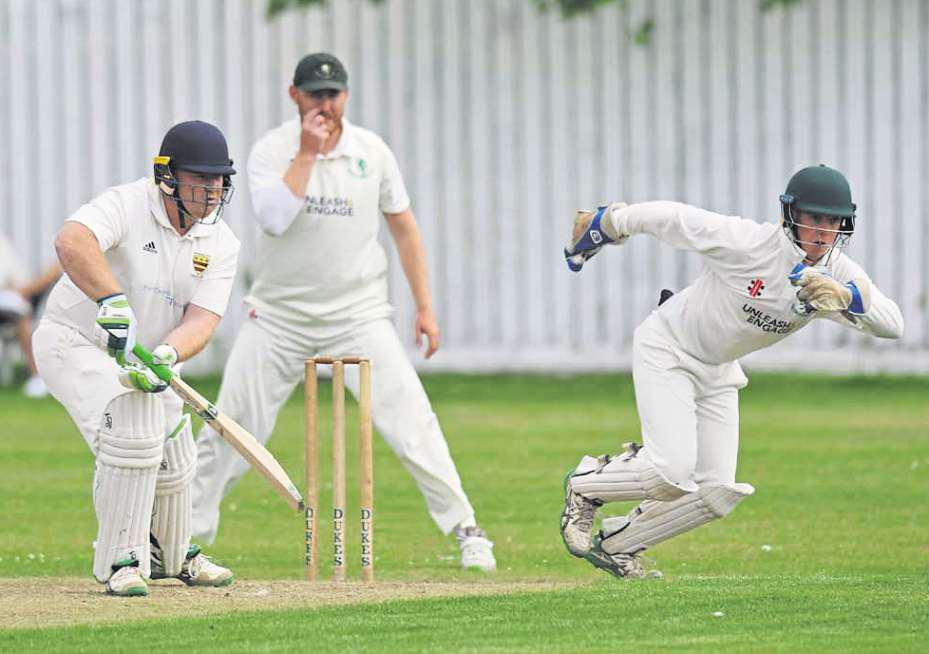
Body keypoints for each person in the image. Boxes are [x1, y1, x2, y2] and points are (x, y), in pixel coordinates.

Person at [191, 52, 496, 571]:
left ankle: (467, 529)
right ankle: (181, 537)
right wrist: (307, 154)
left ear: (346, 96)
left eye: (332, 95)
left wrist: (425, 307)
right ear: (295, 96)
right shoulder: (272, 149)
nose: (324, 104)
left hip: (357, 313)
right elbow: (273, 220)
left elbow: (404, 228)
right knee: (232, 427)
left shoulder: (371, 151)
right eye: (314, 95)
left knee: (412, 420)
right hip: (278, 315)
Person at [560, 164, 903, 578]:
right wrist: (608, 222)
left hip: (718, 369)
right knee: (670, 472)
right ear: (788, 215)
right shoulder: (749, 243)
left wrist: (846, 296)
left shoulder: (838, 272)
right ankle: (585, 485)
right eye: (814, 218)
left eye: (833, 221)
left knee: (716, 492)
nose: (823, 231)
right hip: (669, 347)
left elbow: (894, 324)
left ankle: (617, 547)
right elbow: (674, 219)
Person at [33, 121, 241, 596]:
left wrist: (168, 352)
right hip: (75, 342)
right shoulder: (127, 203)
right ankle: (119, 561)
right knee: (131, 426)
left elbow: (202, 320)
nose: (211, 191)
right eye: (200, 179)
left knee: (173, 443)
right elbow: (71, 240)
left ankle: (174, 552)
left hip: (144, 360)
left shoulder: (222, 242)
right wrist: (111, 299)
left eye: (218, 180)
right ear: (167, 176)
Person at [0, 233, 60, 398]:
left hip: (16, 294)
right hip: (11, 301)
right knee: (20, 312)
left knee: (57, 266)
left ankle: (42, 376)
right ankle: (37, 376)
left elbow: (12, 275)